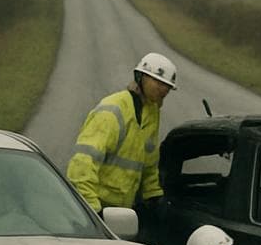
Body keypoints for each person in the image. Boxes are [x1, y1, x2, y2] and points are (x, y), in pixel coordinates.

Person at [67, 52, 178, 219]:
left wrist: (153, 195)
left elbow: (149, 162)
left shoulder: (152, 112)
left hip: (122, 212)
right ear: (141, 77)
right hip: (94, 210)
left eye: (168, 86)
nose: (164, 90)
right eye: (158, 82)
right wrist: (93, 211)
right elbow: (81, 166)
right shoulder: (112, 110)